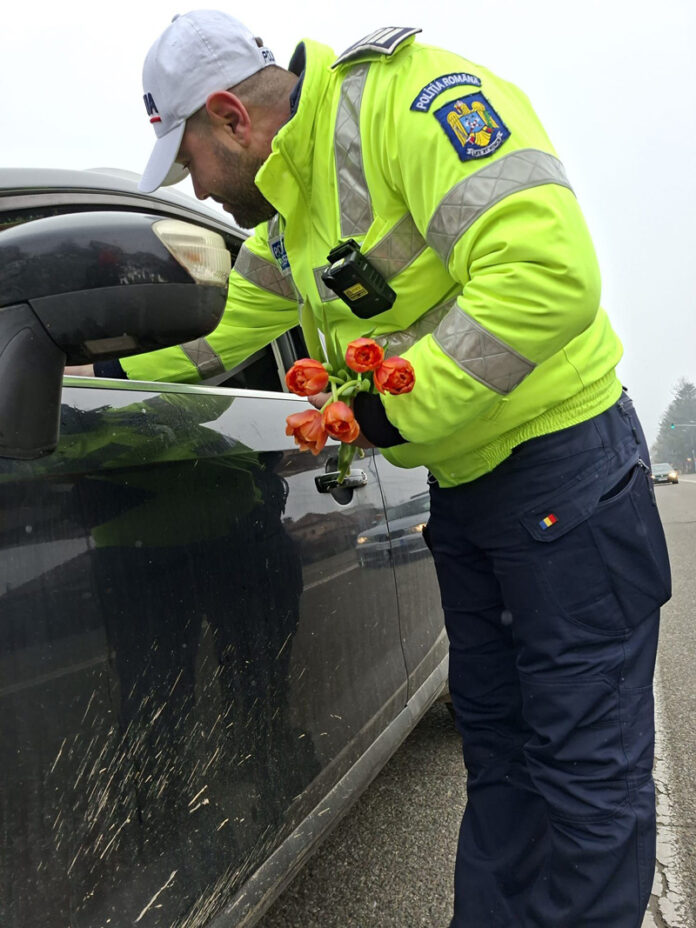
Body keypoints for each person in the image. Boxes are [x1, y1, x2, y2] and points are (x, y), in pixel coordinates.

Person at [101, 11, 670, 926]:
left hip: (564, 472)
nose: (198, 191)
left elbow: (547, 273)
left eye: (190, 160)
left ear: (230, 117)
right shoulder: (288, 227)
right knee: (501, 753)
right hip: (473, 496)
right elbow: (212, 349)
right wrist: (86, 377)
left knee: (581, 767)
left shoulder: (410, 102)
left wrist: (376, 413)